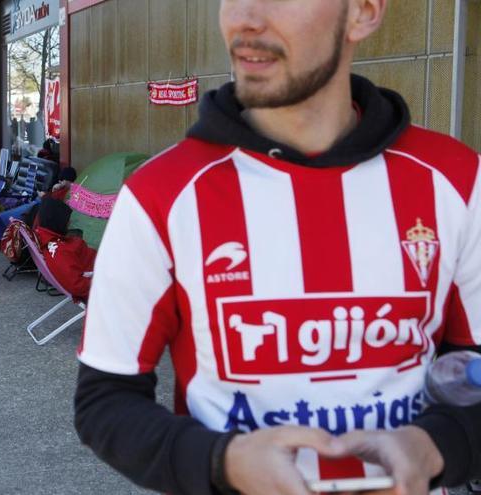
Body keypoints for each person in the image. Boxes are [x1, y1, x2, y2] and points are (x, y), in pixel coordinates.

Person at [74, 2, 481, 495]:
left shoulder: (458, 181)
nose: (244, 18)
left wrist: (436, 446)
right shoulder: (160, 195)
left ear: (364, 13)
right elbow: (105, 400)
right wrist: (221, 463)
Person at [34, 197, 96, 302]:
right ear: (57, 221)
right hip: (102, 277)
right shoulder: (59, 251)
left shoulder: (51, 241)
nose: (69, 222)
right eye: (66, 220)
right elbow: (77, 286)